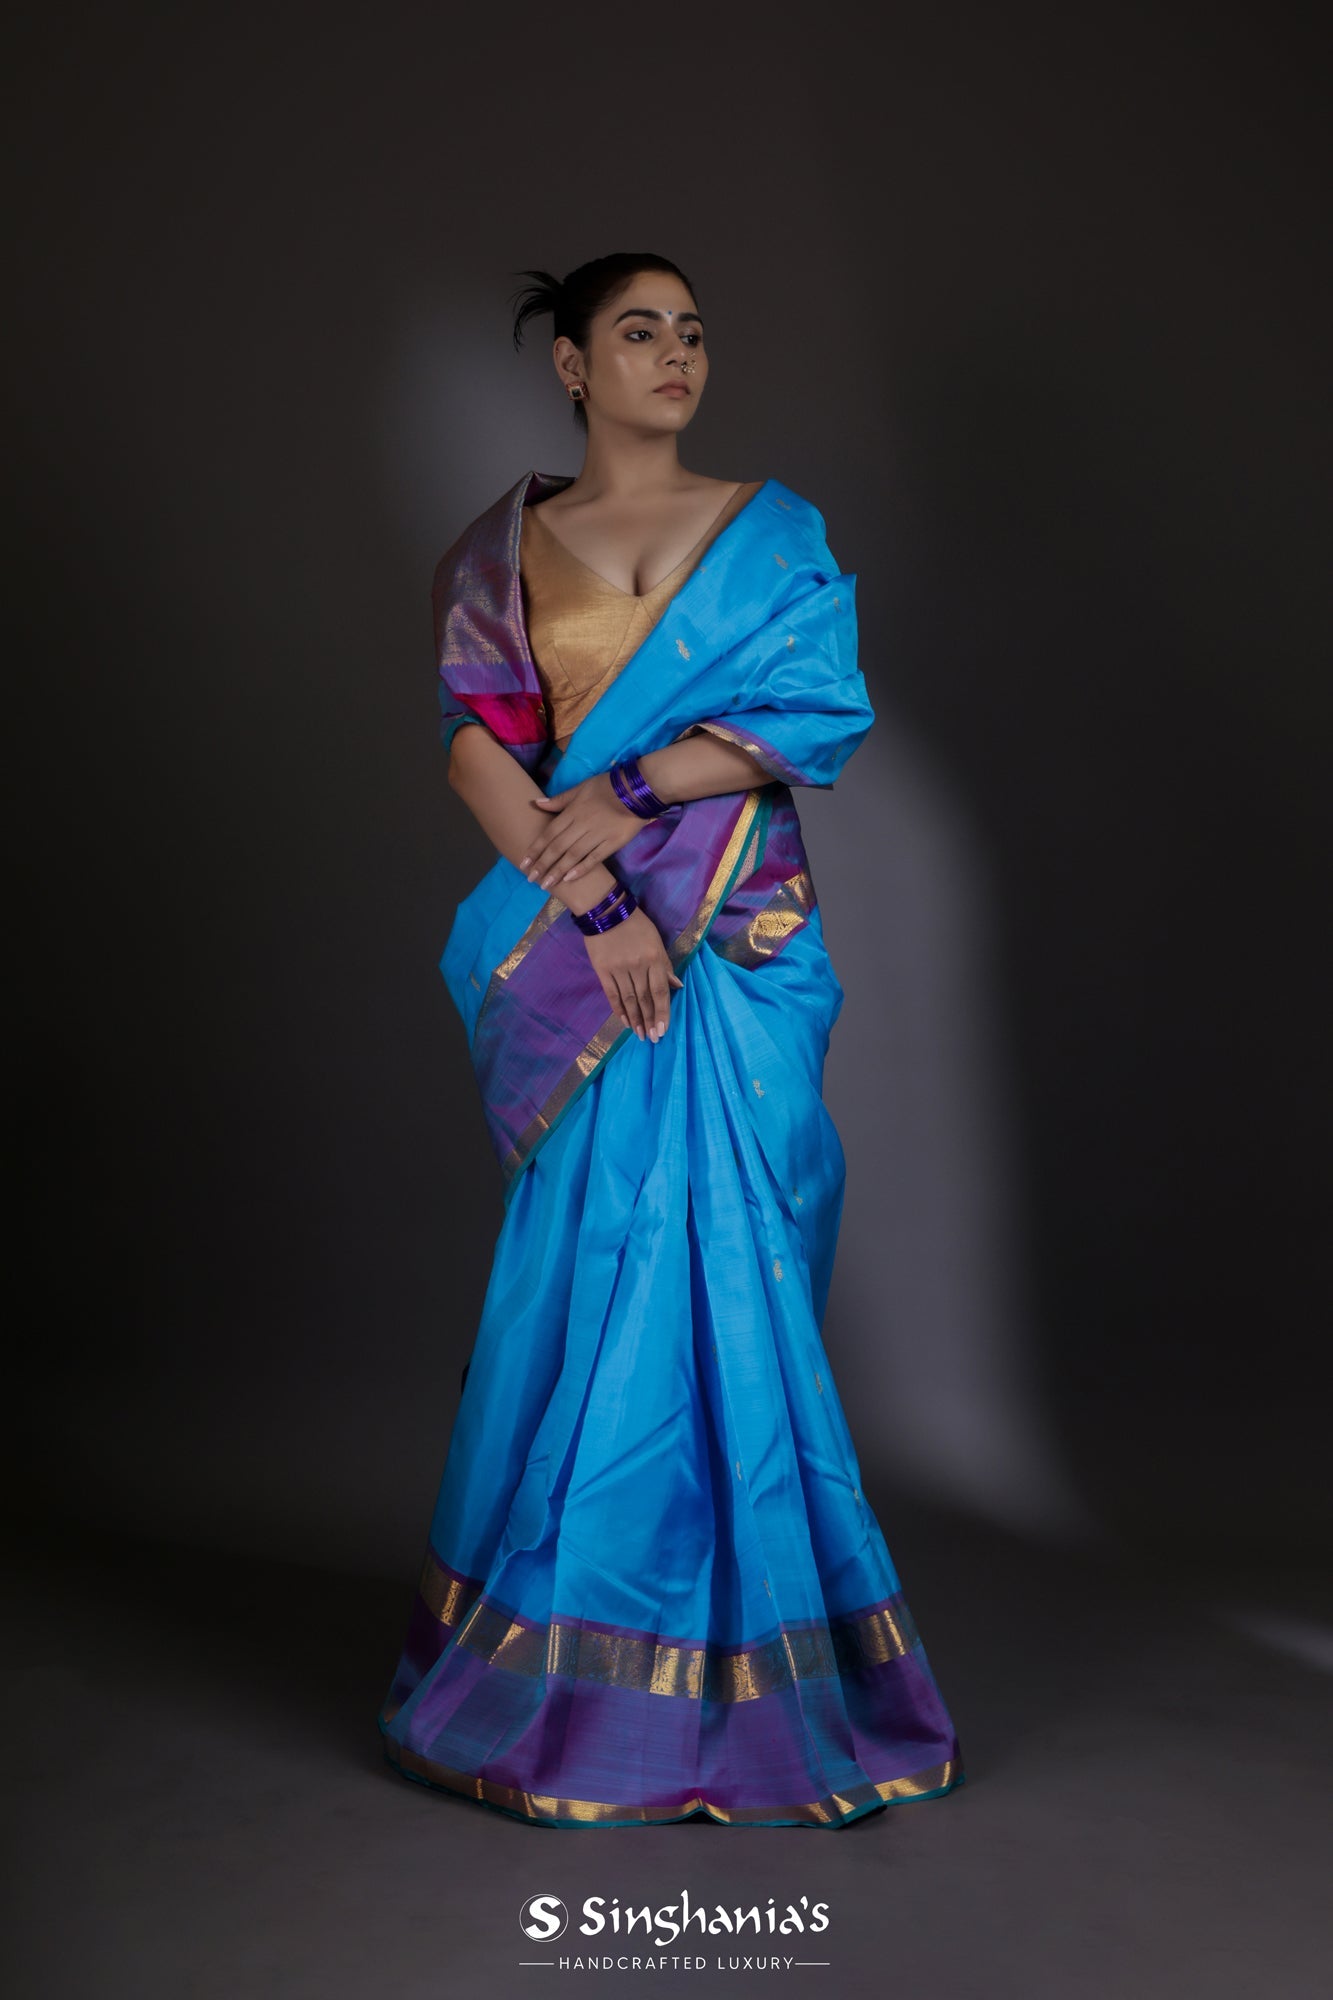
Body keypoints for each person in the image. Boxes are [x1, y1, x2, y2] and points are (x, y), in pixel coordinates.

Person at [376, 251, 966, 1828]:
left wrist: (630, 790)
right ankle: (572, 1686)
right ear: (571, 366)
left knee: (737, 1280)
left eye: (690, 331)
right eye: (637, 331)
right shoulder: (499, 551)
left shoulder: (772, 534)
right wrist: (595, 909)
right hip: (587, 962)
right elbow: (477, 754)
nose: (674, 353)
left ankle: (760, 1676)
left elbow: (813, 713)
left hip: (741, 946)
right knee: (595, 1282)